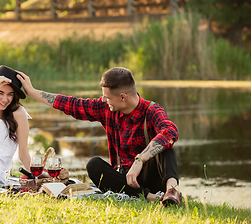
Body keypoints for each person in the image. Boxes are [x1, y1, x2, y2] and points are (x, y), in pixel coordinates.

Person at [16, 67, 181, 206]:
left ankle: (171, 192)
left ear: (123, 97)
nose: (104, 100)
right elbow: (72, 104)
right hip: (123, 180)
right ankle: (149, 197)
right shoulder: (106, 109)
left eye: (108, 97)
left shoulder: (151, 111)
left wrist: (140, 160)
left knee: (164, 145)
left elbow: (170, 131)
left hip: (151, 176)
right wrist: (32, 92)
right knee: (94, 165)